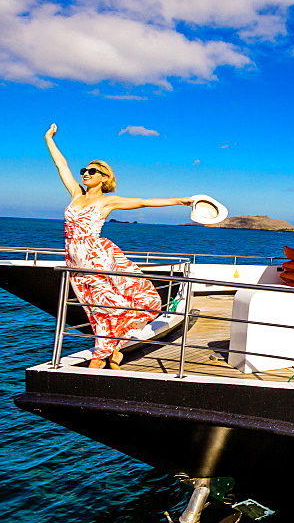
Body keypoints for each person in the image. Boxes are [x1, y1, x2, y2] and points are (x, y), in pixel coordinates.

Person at [45, 124, 192, 369]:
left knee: (108, 308)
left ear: (104, 177)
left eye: (92, 171)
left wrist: (180, 200)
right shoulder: (75, 195)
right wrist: (48, 138)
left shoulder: (107, 201)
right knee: (95, 312)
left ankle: (98, 360)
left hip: (95, 260)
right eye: (84, 170)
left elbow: (143, 202)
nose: (85, 174)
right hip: (75, 265)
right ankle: (114, 352)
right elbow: (61, 166)